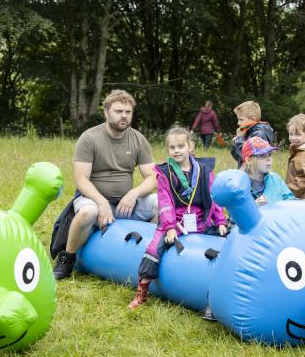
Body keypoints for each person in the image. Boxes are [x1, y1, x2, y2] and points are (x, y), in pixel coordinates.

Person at [52, 89, 159, 280]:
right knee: (88, 212)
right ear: (106, 112)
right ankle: (67, 260)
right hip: (92, 199)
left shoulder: (138, 139)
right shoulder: (89, 138)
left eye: (128, 112)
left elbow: (153, 176)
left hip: (126, 203)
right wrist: (101, 203)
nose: (124, 116)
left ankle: (146, 255)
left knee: (161, 204)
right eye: (118, 111)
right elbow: (81, 179)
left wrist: (134, 194)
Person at [128, 126, 228, 311]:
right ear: (168, 150)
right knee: (154, 249)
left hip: (200, 221)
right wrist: (170, 227)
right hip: (176, 222)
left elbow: (214, 199)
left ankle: (221, 292)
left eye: (181, 146)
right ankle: (142, 291)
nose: (177, 150)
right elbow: (165, 202)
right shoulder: (165, 173)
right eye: (172, 147)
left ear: (190, 146)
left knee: (228, 236)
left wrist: (220, 221)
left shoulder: (205, 171)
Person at [241, 137, 295, 206]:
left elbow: (291, 201)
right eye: (262, 156)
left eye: (269, 154)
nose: (268, 159)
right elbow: (235, 215)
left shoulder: (275, 179)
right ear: (248, 161)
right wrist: (254, 207)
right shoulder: (240, 185)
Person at [230, 101, 275, 168]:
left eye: (241, 119)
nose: (238, 123)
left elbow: (246, 157)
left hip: (253, 175)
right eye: (238, 119)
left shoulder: (259, 134)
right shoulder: (247, 131)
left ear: (253, 119)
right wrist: (235, 142)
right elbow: (238, 158)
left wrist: (239, 138)